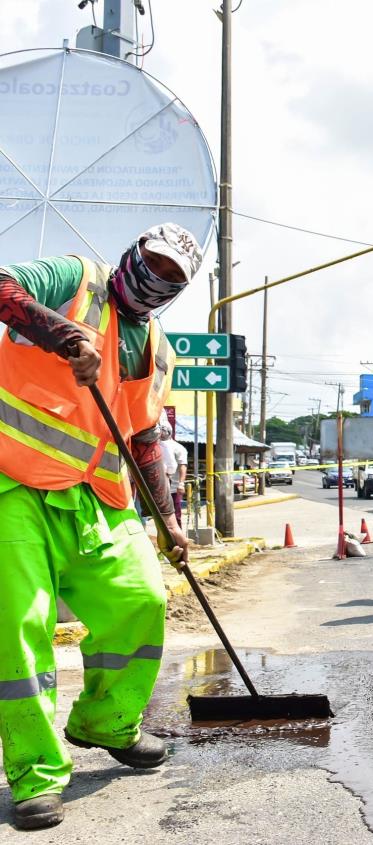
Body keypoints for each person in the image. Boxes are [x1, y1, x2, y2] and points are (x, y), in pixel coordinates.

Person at [0, 223, 201, 830]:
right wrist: (62, 334)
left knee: (140, 599)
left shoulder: (158, 348)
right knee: (21, 623)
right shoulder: (74, 280)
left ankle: (106, 722)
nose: (157, 280)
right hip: (14, 481)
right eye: (153, 264)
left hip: (99, 496)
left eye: (172, 278)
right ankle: (35, 774)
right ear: (131, 255)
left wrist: (169, 522)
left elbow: (142, 439)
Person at [159, 418, 188, 526]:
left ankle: (177, 538)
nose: (162, 433)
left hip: (173, 487)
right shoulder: (154, 446)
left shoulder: (178, 448)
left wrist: (181, 483)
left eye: (164, 430)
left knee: (175, 514)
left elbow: (182, 465)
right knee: (160, 515)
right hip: (159, 486)